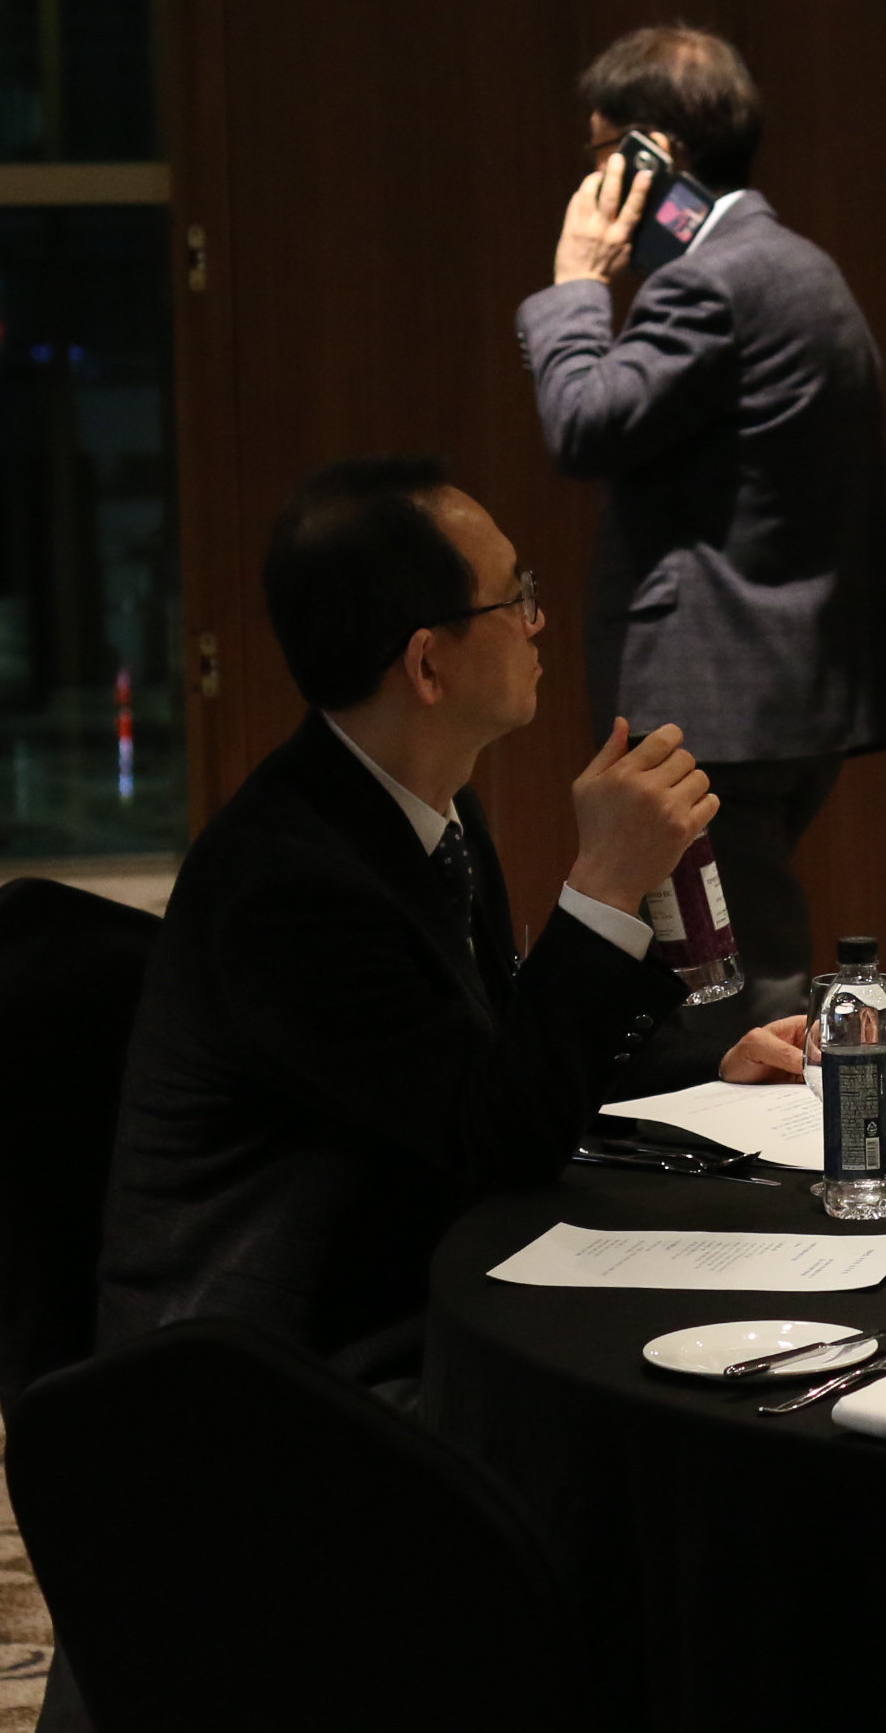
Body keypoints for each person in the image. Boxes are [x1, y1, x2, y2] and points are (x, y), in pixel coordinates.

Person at [96, 457, 806, 1379]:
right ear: (428, 662)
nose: (538, 621)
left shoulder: (423, 803)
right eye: (515, 598)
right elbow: (495, 1142)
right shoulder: (288, 883)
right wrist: (603, 886)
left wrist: (706, 1062)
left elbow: (492, 1051)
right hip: (280, 1367)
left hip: (403, 1274)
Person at [517, 23, 886, 1032]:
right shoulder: (799, 265)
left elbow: (582, 422)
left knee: (731, 990)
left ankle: (756, 1138)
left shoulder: (710, 279)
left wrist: (576, 282)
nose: (593, 183)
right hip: (782, 690)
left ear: (652, 154)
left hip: (715, 701)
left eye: (602, 156)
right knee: (717, 969)